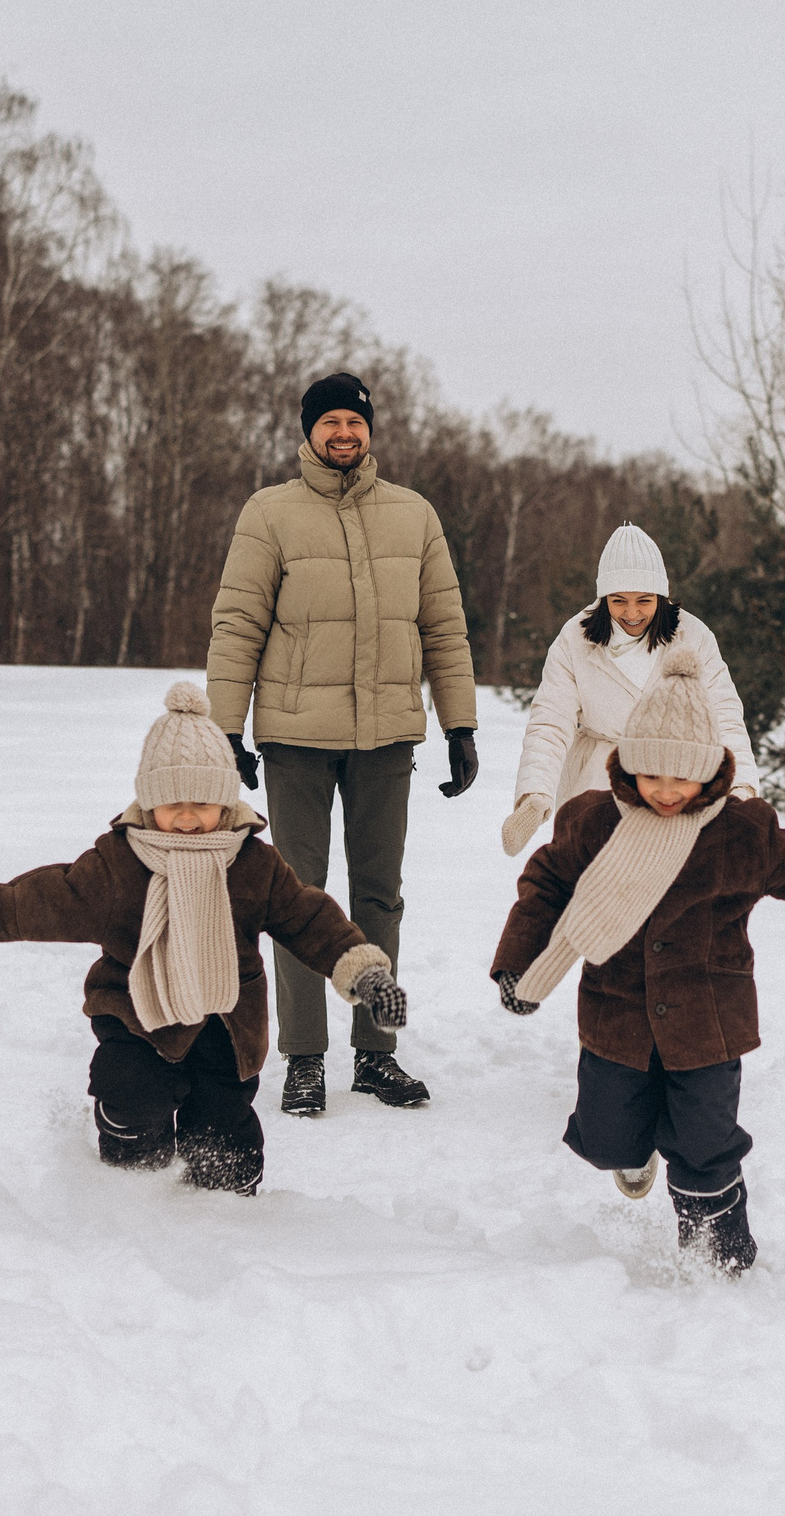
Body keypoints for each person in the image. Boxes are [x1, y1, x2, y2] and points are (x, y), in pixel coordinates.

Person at [0, 681, 407, 1196]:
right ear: (148, 802)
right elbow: (42, 900)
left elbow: (308, 919)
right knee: (132, 1098)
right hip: (135, 1013)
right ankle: (128, 1187)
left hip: (226, 1024)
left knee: (225, 1144)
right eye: (173, 805)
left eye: (202, 804)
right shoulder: (121, 863)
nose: (187, 820)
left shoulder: (252, 864)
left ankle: (226, 1213)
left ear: (225, 802)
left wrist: (364, 972)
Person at [487, 645, 785, 1273]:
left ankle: (722, 1261)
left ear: (711, 771)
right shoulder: (593, 821)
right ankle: (637, 1151)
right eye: (651, 775)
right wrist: (518, 964)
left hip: (708, 1023)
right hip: (617, 1018)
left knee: (705, 1148)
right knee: (608, 1138)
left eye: (682, 777)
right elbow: (546, 885)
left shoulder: (741, 832)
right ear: (628, 764)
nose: (666, 792)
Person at [207, 371, 479, 1118]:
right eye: (329, 422)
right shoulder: (270, 513)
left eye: (354, 422)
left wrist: (459, 725)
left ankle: (375, 1052)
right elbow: (237, 624)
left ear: (370, 431)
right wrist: (225, 728)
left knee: (379, 896)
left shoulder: (414, 515)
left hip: (386, 736)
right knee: (298, 898)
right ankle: (303, 1057)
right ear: (308, 431)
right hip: (295, 736)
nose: (343, 433)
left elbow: (444, 627)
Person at [502, 522, 757, 858]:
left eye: (644, 600)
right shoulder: (574, 639)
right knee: (596, 878)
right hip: (597, 783)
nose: (632, 612)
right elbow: (550, 722)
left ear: (661, 598)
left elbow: (723, 717)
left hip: (671, 782)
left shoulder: (693, 637)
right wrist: (534, 794)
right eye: (619, 600)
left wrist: (740, 788)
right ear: (604, 597)